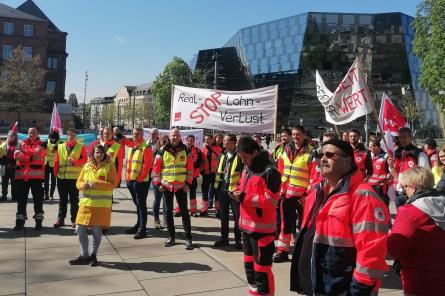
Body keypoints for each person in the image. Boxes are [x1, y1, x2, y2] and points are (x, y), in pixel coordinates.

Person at [290, 139, 390, 295]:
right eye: (321, 154)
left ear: (348, 160)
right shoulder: (316, 193)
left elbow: (372, 253)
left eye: (330, 155)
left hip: (343, 288)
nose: (322, 159)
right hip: (318, 284)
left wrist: (360, 289)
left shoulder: (363, 196)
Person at [231, 136, 280, 296]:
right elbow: (244, 187)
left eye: (245, 157)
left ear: (255, 152)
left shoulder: (270, 172)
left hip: (262, 232)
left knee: (262, 272)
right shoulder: (247, 169)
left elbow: (271, 201)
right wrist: (237, 191)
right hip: (246, 229)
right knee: (250, 270)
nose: (243, 161)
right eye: (241, 158)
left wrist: (244, 197)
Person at [388, 167, 445, 295]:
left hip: (421, 283)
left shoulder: (409, 212)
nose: (403, 191)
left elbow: (395, 249)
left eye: (404, 187)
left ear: (412, 187)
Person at [69, 144, 118, 266]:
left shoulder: (109, 166)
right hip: (86, 203)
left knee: (97, 230)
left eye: (101, 152)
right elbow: (78, 183)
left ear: (104, 154)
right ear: (93, 153)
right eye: (96, 152)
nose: (98, 154)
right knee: (79, 228)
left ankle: (93, 255)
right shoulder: (87, 165)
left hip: (100, 205)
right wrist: (83, 185)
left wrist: (96, 183)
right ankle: (84, 255)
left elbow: (113, 184)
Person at [275, 125, 315, 263]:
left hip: (302, 198)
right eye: (293, 134)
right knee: (285, 224)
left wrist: (307, 196)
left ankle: (303, 253)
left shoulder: (311, 153)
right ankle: (282, 251)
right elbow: (280, 172)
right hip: (286, 196)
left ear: (304, 135)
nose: (295, 137)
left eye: (298, 134)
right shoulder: (285, 151)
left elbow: (315, 177)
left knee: (304, 225)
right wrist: (280, 192)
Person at [152, 128, 194, 249]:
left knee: (185, 213)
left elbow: (190, 168)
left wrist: (188, 184)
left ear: (180, 136)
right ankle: (171, 237)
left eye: (177, 135)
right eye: (173, 135)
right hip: (167, 186)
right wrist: (158, 183)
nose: (175, 137)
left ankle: (188, 239)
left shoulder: (186, 149)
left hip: (181, 186)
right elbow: (156, 168)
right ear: (170, 136)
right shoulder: (162, 150)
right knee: (168, 213)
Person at [13, 127, 48, 230]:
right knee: (21, 201)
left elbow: (38, 154)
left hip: (36, 177)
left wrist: (25, 153)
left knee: (38, 201)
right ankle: (20, 222)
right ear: (27, 133)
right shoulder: (20, 143)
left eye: (34, 133)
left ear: (38, 133)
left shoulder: (43, 144)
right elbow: (16, 156)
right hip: (21, 177)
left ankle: (38, 221)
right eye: (30, 133)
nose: (31, 134)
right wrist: (31, 156)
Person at [213, 134, 243, 249]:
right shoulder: (222, 154)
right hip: (222, 190)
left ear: (233, 142)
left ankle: (237, 240)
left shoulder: (239, 155)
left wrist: (239, 190)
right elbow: (218, 170)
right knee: (224, 216)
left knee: (237, 217)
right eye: (223, 141)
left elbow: (243, 174)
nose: (223, 142)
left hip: (234, 191)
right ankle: (224, 239)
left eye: (226, 141)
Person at [387, 127, 430, 208]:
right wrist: (390, 165)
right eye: (400, 137)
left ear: (410, 137)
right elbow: (393, 171)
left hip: (413, 194)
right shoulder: (396, 153)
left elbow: (425, 172)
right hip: (398, 193)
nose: (402, 139)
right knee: (401, 218)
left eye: (404, 137)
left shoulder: (418, 153)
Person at [53, 129, 87, 228]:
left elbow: (85, 160)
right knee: (62, 200)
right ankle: (60, 219)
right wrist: (55, 174)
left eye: (73, 135)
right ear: (66, 136)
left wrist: (75, 162)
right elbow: (56, 161)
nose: (71, 137)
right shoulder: (60, 147)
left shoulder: (81, 147)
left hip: (74, 178)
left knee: (74, 200)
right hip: (61, 178)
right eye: (69, 135)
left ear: (76, 136)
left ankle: (74, 220)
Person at [125, 127, 153, 239]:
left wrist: (139, 178)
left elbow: (147, 166)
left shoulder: (145, 148)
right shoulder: (133, 146)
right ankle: (139, 225)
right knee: (138, 204)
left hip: (140, 182)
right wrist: (127, 178)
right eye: (134, 133)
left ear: (142, 135)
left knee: (141, 205)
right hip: (130, 180)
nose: (135, 135)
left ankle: (142, 229)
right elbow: (129, 163)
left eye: (137, 134)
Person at [174, 135, 202, 217]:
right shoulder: (181, 150)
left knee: (192, 194)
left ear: (194, 141)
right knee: (180, 194)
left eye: (192, 141)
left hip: (193, 176)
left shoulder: (198, 150)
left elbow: (198, 163)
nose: (190, 142)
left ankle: (193, 211)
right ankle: (178, 210)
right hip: (182, 176)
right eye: (189, 140)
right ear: (186, 140)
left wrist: (189, 166)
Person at [200, 133, 221, 216]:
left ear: (212, 140)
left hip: (216, 174)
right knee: (204, 192)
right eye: (205, 140)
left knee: (217, 192)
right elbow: (201, 162)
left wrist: (219, 171)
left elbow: (221, 162)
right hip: (206, 174)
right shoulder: (202, 150)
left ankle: (218, 210)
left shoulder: (219, 149)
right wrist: (202, 171)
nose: (207, 141)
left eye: (208, 139)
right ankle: (204, 210)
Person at [152, 133, 169, 229]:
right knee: (157, 198)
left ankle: (166, 220)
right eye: (163, 139)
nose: (164, 141)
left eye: (166, 139)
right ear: (160, 140)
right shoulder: (156, 151)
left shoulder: (170, 150)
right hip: (157, 178)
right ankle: (156, 220)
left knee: (166, 200)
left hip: (167, 179)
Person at [367, 139, 391, 206]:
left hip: (381, 185)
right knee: (373, 203)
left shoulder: (386, 156)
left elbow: (390, 170)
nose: (370, 149)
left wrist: (386, 180)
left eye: (371, 147)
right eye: (369, 147)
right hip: (371, 184)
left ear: (377, 147)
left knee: (383, 202)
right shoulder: (370, 156)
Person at [0, 129, 19, 201]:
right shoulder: (3, 144)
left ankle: (14, 196)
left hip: (14, 166)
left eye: (13, 136)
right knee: (4, 182)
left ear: (15, 137)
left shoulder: (18, 144)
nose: (11, 137)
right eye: (10, 136)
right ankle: (4, 195)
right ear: (8, 136)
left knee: (14, 183)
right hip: (4, 165)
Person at [44, 130, 61, 200]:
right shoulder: (46, 143)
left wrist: (58, 147)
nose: (52, 139)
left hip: (55, 165)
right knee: (46, 181)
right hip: (47, 164)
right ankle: (46, 195)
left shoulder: (60, 144)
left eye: (54, 137)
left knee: (53, 181)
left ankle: (51, 195)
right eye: (51, 137)